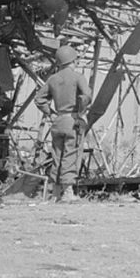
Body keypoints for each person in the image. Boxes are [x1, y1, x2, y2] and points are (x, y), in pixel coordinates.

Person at [35, 45, 93, 202]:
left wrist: (50, 112)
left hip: (57, 120)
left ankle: (55, 192)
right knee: (70, 154)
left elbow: (39, 99)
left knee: (56, 155)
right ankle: (68, 191)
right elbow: (86, 96)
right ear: (73, 60)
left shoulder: (52, 79)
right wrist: (81, 109)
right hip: (72, 120)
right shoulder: (78, 77)